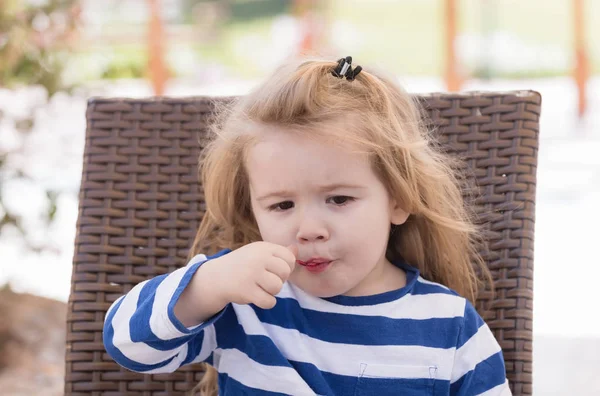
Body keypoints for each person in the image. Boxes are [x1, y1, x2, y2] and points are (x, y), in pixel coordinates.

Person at [103, 56, 511, 396]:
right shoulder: (244, 301)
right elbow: (127, 344)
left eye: (339, 199)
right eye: (282, 205)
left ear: (399, 198)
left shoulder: (450, 326)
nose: (309, 228)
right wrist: (206, 286)